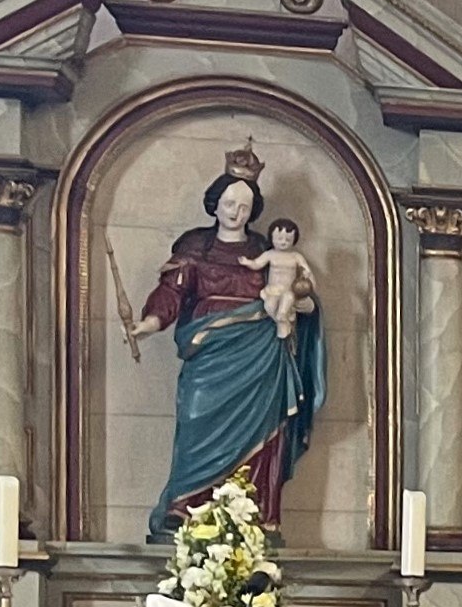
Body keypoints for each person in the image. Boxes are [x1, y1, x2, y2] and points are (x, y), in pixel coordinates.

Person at [131, 152, 324, 537]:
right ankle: (184, 506)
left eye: (245, 206)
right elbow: (172, 292)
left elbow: (296, 291)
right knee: (195, 419)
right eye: (230, 203)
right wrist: (151, 322)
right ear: (215, 203)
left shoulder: (265, 251)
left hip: (261, 353)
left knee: (264, 433)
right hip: (209, 354)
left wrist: (304, 304)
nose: (236, 211)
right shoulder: (194, 247)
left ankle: (255, 513)